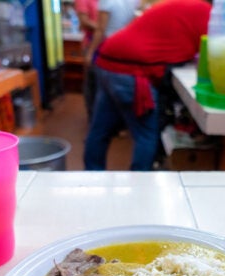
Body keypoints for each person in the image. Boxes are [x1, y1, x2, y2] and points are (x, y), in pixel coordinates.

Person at [83, 0, 211, 171]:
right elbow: (210, 53)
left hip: (107, 59)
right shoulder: (206, 12)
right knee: (146, 134)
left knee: (100, 130)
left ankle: (92, 174)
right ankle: (140, 183)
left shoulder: (180, 4)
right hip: (131, 70)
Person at [84, 0, 137, 68]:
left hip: (107, 47)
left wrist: (90, 52)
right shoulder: (132, 1)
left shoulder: (106, 1)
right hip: (123, 47)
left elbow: (101, 29)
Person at [75, 0, 99, 115]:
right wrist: (104, 28)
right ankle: (92, 116)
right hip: (91, 45)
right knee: (92, 82)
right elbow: (84, 22)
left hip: (107, 45)